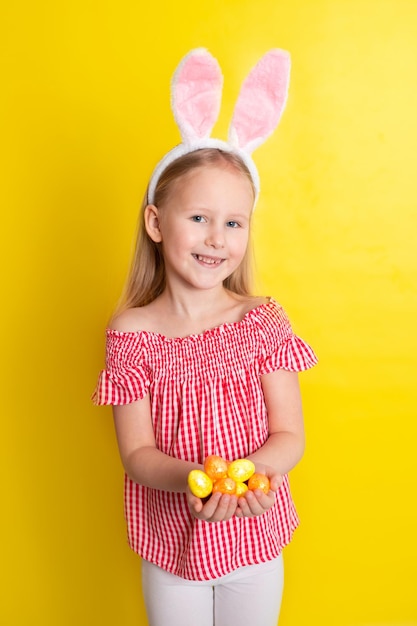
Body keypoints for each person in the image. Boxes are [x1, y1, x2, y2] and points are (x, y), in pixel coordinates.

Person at [93, 48, 317, 626]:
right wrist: (192, 482)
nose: (217, 238)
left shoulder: (262, 321)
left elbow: (290, 433)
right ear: (156, 223)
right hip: (172, 547)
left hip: (254, 537)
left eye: (233, 223)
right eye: (199, 218)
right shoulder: (131, 334)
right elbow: (138, 454)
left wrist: (254, 475)